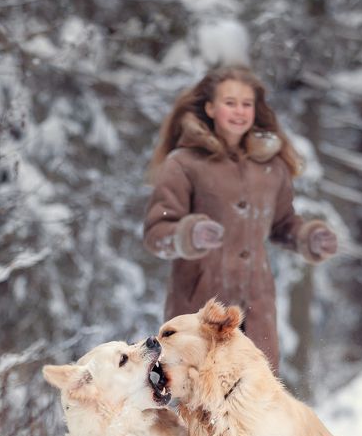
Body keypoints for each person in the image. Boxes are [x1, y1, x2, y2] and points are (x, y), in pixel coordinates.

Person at [142, 65, 338, 372]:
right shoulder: (183, 163)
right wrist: (189, 234)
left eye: (246, 104)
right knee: (196, 401)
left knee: (254, 403)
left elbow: (284, 224)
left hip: (256, 310)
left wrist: (309, 237)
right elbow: (157, 234)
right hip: (198, 311)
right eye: (229, 102)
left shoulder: (271, 168)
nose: (240, 111)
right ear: (210, 108)